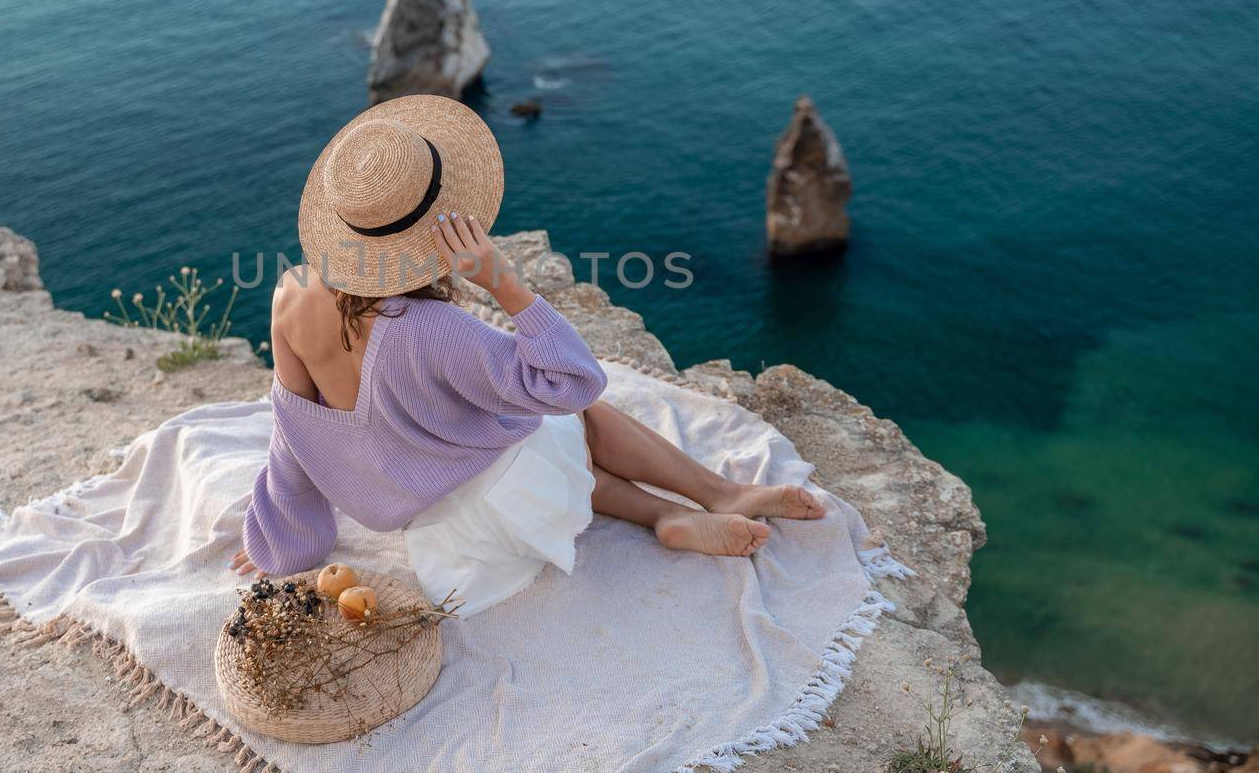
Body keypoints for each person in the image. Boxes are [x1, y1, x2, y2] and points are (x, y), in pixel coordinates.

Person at [232, 96, 823, 615]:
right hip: (493, 511)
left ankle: (666, 517)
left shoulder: (292, 291)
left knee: (535, 447)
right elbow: (574, 381)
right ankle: (716, 493)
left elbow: (294, 433)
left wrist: (283, 544)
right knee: (574, 417)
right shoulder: (430, 328)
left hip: (417, 513)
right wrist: (507, 286)